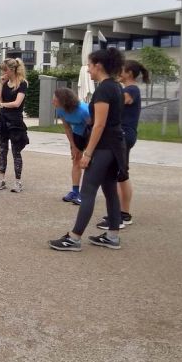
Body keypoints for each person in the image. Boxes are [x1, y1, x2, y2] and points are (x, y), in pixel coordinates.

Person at [50, 47, 127, 251]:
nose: (89, 70)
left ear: (98, 65)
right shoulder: (117, 87)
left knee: (88, 190)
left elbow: (99, 124)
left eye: (90, 66)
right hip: (115, 146)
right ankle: (112, 235)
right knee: (110, 190)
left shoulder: (103, 89)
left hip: (103, 147)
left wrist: (88, 153)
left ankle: (74, 238)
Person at [97, 59, 150, 230]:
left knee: (121, 174)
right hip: (124, 134)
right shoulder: (127, 89)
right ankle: (120, 213)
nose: (119, 73)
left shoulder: (131, 89)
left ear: (129, 73)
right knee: (120, 174)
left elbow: (118, 103)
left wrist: (105, 93)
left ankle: (123, 215)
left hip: (124, 135)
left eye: (121, 70)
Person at [0, 58, 29, 193]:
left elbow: (17, 103)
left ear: (12, 69)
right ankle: (1, 180)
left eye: (5, 69)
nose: (3, 72)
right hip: (3, 121)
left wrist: (3, 104)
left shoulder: (22, 83)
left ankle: (18, 182)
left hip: (15, 122)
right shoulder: (5, 83)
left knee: (16, 152)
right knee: (2, 151)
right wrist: (1, 85)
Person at [53, 87, 91, 205]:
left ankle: (86, 194)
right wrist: (74, 146)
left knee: (89, 163)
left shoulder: (84, 110)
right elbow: (67, 128)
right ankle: (75, 192)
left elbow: (93, 128)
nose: (52, 101)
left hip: (90, 133)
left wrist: (89, 151)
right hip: (77, 134)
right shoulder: (60, 109)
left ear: (63, 100)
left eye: (55, 99)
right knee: (76, 160)